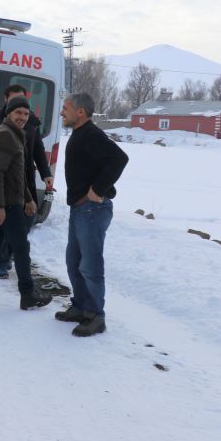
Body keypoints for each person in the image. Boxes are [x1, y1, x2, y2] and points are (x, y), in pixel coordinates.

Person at [0, 96, 52, 310]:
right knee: (21, 249)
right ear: (8, 114)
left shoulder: (15, 134)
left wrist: (29, 199)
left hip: (9, 201)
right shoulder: (6, 135)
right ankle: (28, 295)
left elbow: (17, 174)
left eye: (25, 113)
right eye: (18, 113)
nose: (22, 117)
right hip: (6, 204)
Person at [56, 92, 128, 337]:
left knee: (90, 266)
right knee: (73, 262)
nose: (61, 112)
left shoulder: (92, 134)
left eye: (66, 108)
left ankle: (96, 316)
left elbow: (119, 159)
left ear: (80, 112)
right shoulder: (80, 134)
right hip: (80, 209)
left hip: (93, 209)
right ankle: (81, 307)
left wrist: (97, 189)